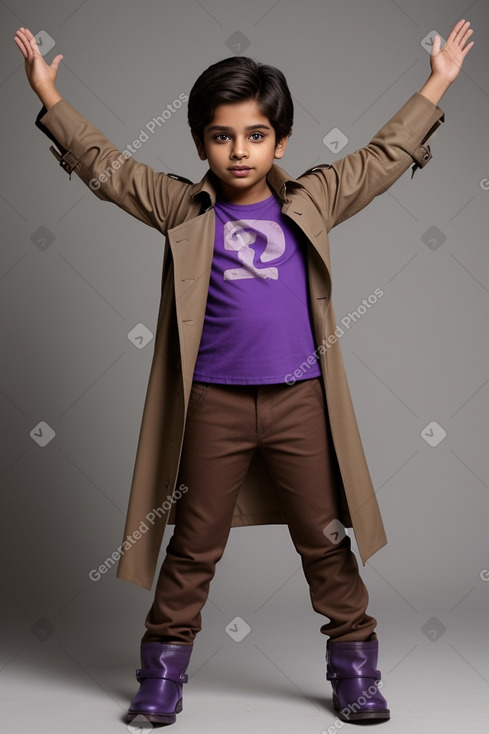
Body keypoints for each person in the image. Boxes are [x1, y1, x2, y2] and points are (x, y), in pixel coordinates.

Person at [14, 19, 474, 727]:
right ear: (200, 141)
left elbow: (383, 158)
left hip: (299, 404)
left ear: (280, 141)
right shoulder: (180, 205)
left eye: (255, 135)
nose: (238, 151)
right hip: (211, 406)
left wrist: (437, 79)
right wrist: (50, 97)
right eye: (222, 136)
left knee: (324, 540)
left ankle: (355, 670)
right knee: (193, 542)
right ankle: (161, 674)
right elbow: (106, 168)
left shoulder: (311, 198)